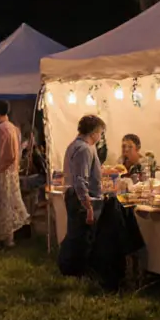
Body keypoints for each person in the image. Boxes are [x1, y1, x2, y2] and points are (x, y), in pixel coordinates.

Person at [59, 114, 104, 276]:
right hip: (81, 197)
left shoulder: (75, 145)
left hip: (76, 195)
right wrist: (89, 206)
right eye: (100, 133)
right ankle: (74, 271)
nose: (100, 137)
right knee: (80, 237)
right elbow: (80, 180)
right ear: (94, 133)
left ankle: (71, 269)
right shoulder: (84, 149)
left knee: (77, 234)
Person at [0, 100, 30, 248]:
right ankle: (5, 237)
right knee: (6, 203)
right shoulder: (12, 128)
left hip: (4, 172)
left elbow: (9, 154)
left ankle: (6, 239)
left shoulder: (3, 130)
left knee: (4, 204)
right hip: (9, 171)